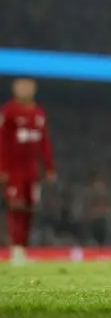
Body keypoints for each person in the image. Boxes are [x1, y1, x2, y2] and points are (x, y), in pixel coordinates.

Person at [0, 78, 56, 266]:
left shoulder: (39, 113)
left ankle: (23, 249)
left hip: (32, 170)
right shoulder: (9, 111)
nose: (25, 91)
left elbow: (45, 142)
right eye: (21, 87)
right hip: (14, 168)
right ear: (15, 90)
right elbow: (2, 141)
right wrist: (3, 168)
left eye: (28, 87)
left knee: (29, 209)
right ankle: (16, 250)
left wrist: (49, 167)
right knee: (15, 207)